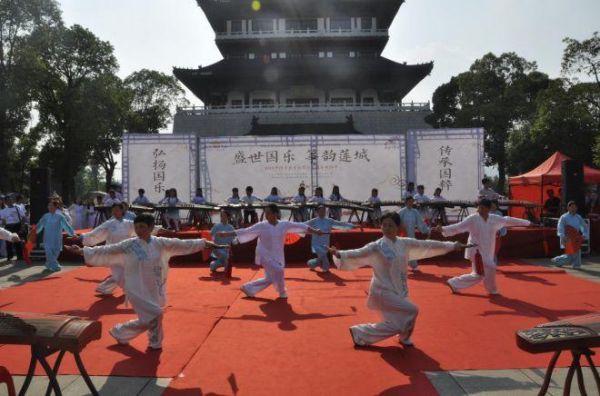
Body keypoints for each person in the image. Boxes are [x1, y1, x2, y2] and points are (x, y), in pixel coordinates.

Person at [66, 213, 226, 350]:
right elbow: (107, 250)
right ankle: (154, 343)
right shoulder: (129, 245)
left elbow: (181, 243)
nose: (139, 230)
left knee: (150, 318)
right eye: (137, 227)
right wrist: (82, 251)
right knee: (156, 314)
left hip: (154, 287)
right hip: (135, 288)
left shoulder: (160, 243)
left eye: (143, 227)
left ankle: (121, 332)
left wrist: (204, 243)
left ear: (150, 228)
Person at [330, 211, 469, 347]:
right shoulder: (376, 246)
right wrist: (340, 254)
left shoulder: (404, 243)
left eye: (390, 225)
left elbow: (428, 244)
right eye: (384, 225)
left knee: (399, 322)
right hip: (382, 291)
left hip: (400, 289)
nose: (387, 228)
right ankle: (364, 332)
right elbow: (358, 253)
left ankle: (399, 336)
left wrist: (452, 245)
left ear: (397, 227)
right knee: (412, 310)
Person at [217, 204, 323, 299]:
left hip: (278, 256)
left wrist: (316, 231)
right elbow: (245, 231)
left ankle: (248, 288)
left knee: (270, 278)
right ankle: (282, 293)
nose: (266, 215)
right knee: (279, 271)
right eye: (265, 213)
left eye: (268, 213)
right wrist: (226, 234)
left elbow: (301, 226)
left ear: (275, 213)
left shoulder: (284, 224)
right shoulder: (262, 225)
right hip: (264, 255)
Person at [436, 198, 531, 295]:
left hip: (487, 251)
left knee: (478, 274)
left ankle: (454, 283)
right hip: (476, 251)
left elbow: (508, 220)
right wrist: (443, 229)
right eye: (479, 207)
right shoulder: (473, 218)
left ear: (488, 209)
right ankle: (491, 290)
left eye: (482, 208)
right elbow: (458, 227)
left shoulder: (494, 219)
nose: (479, 210)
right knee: (490, 267)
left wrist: (527, 223)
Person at [76, 203, 136, 295]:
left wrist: (158, 229)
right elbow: (96, 233)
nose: (115, 212)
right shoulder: (109, 224)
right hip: (112, 252)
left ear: (122, 211)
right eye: (113, 210)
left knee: (126, 273)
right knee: (119, 274)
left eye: (117, 210)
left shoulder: (128, 223)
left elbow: (141, 228)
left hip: (126, 252)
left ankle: (103, 288)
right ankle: (130, 291)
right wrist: (82, 237)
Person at [305, 205, 354, 272]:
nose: (322, 212)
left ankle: (311, 264)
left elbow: (340, 224)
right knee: (322, 255)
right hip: (316, 243)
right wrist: (291, 227)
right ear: (317, 212)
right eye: (321, 211)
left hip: (325, 243)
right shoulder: (313, 221)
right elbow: (302, 225)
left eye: (324, 211)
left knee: (321, 257)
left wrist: (352, 226)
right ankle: (326, 268)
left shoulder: (329, 221)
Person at [36, 200, 75, 272]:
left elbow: (66, 226)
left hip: (57, 238)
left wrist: (72, 233)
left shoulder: (60, 217)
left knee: (55, 253)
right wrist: (34, 231)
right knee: (48, 252)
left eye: (51, 205)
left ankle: (49, 264)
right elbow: (39, 225)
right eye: (49, 205)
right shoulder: (45, 216)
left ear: (55, 207)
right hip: (47, 238)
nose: (49, 207)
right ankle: (55, 266)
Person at [551, 201, 589, 269]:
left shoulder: (578, 217)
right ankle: (557, 260)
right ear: (568, 208)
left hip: (576, 237)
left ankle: (576, 265)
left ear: (577, 208)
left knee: (576, 251)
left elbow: (584, 226)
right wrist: (562, 236)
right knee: (570, 256)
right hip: (567, 237)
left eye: (575, 207)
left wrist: (584, 234)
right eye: (572, 207)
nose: (573, 209)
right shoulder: (564, 217)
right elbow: (560, 227)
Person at [398, 196, 430, 271]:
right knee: (402, 250)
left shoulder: (415, 211)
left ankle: (413, 265)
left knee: (412, 249)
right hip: (403, 234)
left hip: (411, 233)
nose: (411, 203)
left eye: (412, 201)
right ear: (406, 202)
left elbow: (420, 222)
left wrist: (426, 230)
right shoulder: (401, 212)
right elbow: (396, 222)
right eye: (409, 201)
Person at [1, 196, 26, 261]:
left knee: (17, 241)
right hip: (8, 226)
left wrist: (22, 227)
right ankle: (10, 256)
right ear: (5, 202)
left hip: (17, 225)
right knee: (8, 242)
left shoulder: (18, 208)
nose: (10, 201)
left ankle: (20, 256)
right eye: (8, 200)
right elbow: (3, 221)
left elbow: (23, 217)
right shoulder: (3, 211)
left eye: (11, 200)